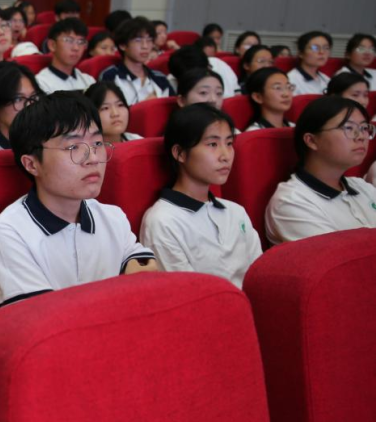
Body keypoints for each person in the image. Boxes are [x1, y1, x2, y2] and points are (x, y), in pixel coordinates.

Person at [0, 92, 158, 309]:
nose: (93, 158)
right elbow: (41, 322)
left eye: (97, 143)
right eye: (73, 147)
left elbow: (144, 277)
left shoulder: (112, 217)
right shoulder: (7, 234)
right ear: (32, 164)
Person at [140, 104, 262, 287]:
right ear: (180, 153)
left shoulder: (236, 211)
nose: (225, 156)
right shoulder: (163, 221)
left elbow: (260, 275)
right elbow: (186, 293)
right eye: (213, 144)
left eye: (229, 144)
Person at [265, 96, 376, 244]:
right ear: (311, 140)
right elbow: (340, 256)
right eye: (349, 128)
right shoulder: (292, 202)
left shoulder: (362, 187)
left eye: (364, 128)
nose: (361, 136)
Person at [99, 17, 174, 104]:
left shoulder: (159, 78)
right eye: (138, 40)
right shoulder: (110, 76)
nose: (145, 46)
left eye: (149, 40)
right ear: (123, 45)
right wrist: (143, 106)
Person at [35, 18, 96, 94]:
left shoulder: (88, 81)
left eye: (81, 42)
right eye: (69, 40)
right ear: (52, 45)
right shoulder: (41, 83)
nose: (76, 48)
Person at [243, 67, 294, 131]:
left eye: (288, 87)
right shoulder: (254, 132)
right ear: (257, 97)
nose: (286, 94)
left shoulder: (294, 127)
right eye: (278, 88)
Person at [287, 31, 332, 95]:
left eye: (326, 48)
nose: (322, 52)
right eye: (315, 48)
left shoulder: (326, 79)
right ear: (301, 53)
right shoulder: (291, 80)